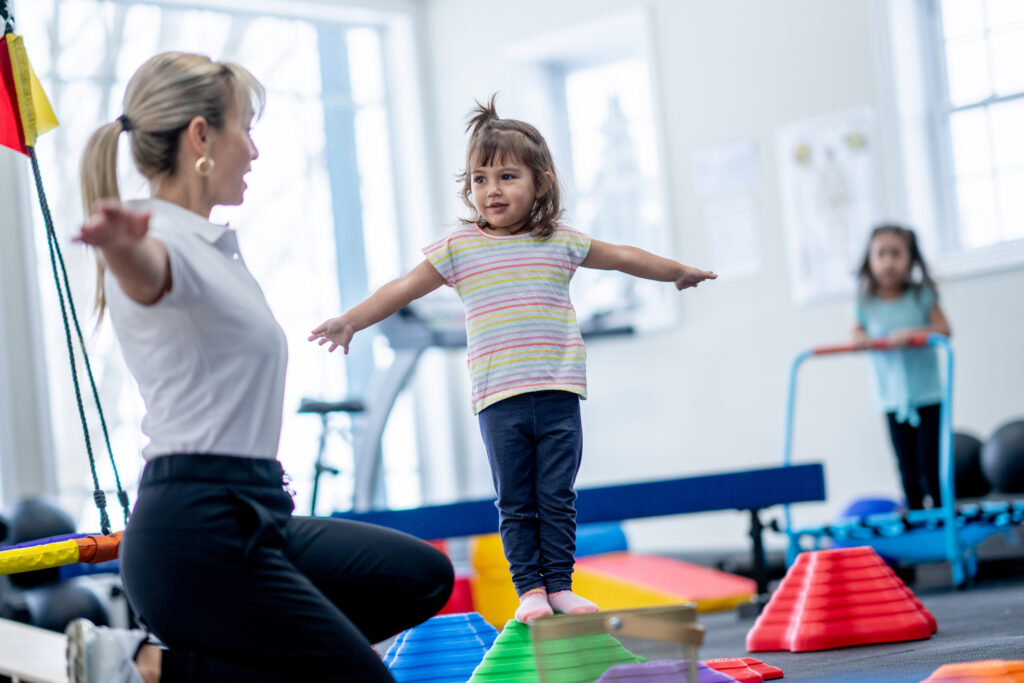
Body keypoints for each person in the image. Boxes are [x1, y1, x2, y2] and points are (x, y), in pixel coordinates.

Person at [68, 51, 453, 683]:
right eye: (244, 128)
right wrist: (121, 247)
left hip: (256, 512)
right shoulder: (162, 241)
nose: (253, 150)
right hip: (199, 532)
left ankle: (154, 669)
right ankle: (145, 668)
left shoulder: (211, 245)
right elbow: (149, 272)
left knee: (419, 578)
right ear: (201, 136)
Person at [309, 96, 716, 624]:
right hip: (498, 399)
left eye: (506, 176)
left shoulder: (559, 240)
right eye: (480, 179)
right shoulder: (459, 247)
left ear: (540, 182)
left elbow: (623, 257)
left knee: (556, 496)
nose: (492, 190)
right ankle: (530, 591)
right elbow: (403, 288)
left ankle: (561, 586)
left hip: (558, 392)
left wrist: (677, 271)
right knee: (516, 501)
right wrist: (352, 321)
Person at [851, 224, 952, 510]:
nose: (888, 262)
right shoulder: (866, 302)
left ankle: (942, 518)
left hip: (927, 395)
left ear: (910, 259)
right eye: (881, 254)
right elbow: (855, 333)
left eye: (896, 253)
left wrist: (913, 334)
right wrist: (861, 339)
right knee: (906, 464)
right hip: (891, 399)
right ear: (870, 262)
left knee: (930, 462)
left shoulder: (920, 295)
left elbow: (944, 329)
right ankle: (916, 516)